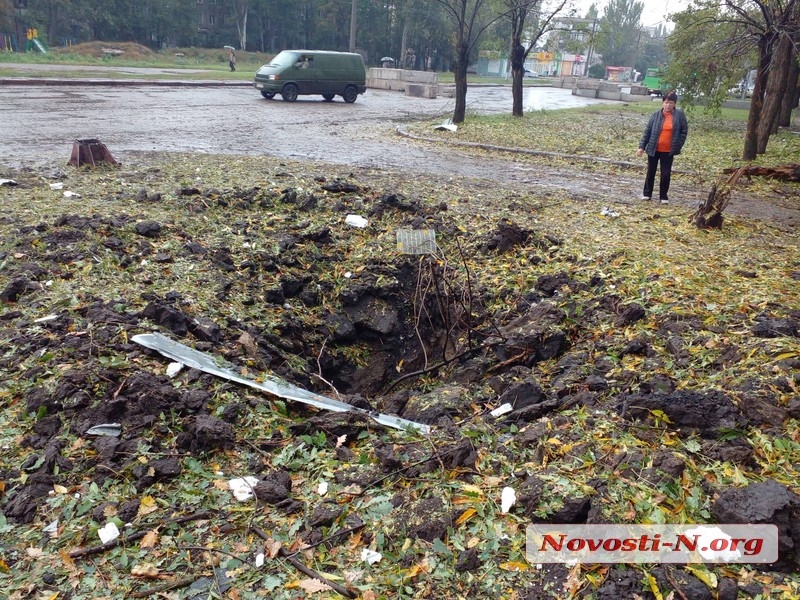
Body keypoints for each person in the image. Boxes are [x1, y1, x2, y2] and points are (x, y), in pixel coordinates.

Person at [636, 90, 688, 204]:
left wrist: (678, 143)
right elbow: (647, 132)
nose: (668, 105)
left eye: (670, 102)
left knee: (665, 173)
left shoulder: (679, 115)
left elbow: (683, 131)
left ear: (674, 104)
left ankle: (663, 196)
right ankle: (647, 193)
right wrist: (641, 147)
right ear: (662, 103)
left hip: (668, 150)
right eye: (666, 102)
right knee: (651, 172)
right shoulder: (655, 115)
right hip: (653, 149)